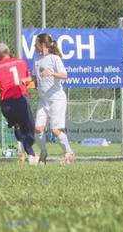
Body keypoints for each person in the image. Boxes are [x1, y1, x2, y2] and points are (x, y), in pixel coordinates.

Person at [0, 42, 38, 165]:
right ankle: (30, 153)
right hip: (21, 99)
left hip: (6, 104)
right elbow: (29, 81)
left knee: (17, 125)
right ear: (8, 51)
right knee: (29, 127)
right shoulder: (22, 62)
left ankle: (20, 144)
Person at [33, 33, 75, 165]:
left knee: (55, 131)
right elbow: (35, 79)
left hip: (57, 100)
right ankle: (44, 153)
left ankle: (69, 153)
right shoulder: (36, 59)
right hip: (43, 100)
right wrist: (28, 83)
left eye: (37, 43)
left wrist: (51, 73)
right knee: (38, 129)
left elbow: (64, 75)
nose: (35, 46)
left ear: (43, 45)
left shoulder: (54, 59)